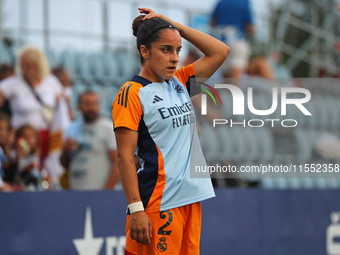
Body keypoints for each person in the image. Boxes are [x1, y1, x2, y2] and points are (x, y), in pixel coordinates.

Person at [112, 7, 229, 255]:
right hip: (158, 203)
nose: (175, 58)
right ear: (144, 51)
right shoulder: (131, 93)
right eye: (166, 50)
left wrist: (174, 25)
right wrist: (136, 209)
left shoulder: (181, 82)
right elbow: (124, 156)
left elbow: (220, 51)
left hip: (190, 199)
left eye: (177, 50)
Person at [0, 46, 64, 169]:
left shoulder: (51, 81)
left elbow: (62, 104)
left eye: (28, 66)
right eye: (22, 65)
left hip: (45, 136)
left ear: (38, 65)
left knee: (45, 169)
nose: (24, 69)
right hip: (21, 137)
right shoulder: (14, 82)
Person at [60, 90, 119, 190]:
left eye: (94, 103)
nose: (91, 107)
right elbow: (64, 164)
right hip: (75, 192)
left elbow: (118, 162)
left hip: (99, 193)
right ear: (79, 106)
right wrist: (65, 151)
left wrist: (106, 191)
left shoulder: (108, 128)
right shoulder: (71, 129)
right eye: (87, 103)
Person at [211, 0, 253, 79]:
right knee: (237, 66)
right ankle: (235, 90)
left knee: (225, 69)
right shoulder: (244, 3)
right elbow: (249, 27)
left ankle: (226, 90)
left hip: (221, 39)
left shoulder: (221, 2)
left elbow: (212, 22)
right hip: (237, 39)